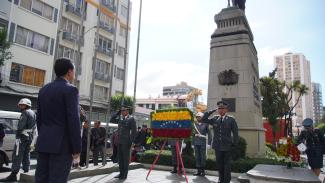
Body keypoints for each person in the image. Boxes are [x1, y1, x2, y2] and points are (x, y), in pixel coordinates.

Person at [35, 58, 81, 183]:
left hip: (44, 142)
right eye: (74, 71)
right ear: (69, 71)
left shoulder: (44, 89)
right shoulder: (71, 90)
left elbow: (39, 118)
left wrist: (43, 135)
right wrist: (76, 148)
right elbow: (74, 120)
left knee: (41, 179)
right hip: (62, 146)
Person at [0, 98, 36, 182]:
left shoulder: (25, 112)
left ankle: (13, 175)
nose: (20, 106)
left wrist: (18, 134)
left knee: (17, 155)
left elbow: (21, 126)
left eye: (22, 105)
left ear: (26, 105)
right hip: (29, 136)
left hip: (22, 137)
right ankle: (26, 171)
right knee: (26, 154)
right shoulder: (33, 113)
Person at [202, 100, 238, 183]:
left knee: (227, 165)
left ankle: (226, 181)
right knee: (219, 164)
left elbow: (235, 133)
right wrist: (211, 111)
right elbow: (203, 119)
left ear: (226, 110)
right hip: (217, 146)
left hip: (227, 146)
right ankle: (221, 179)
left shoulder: (231, 120)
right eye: (219, 108)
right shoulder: (215, 119)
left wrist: (234, 144)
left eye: (223, 108)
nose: (221, 110)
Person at [110, 106, 137, 180]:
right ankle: (121, 173)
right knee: (120, 159)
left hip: (126, 142)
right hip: (119, 142)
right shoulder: (120, 118)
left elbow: (134, 132)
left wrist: (130, 141)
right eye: (121, 111)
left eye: (123, 110)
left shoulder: (131, 119)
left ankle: (125, 174)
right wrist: (117, 113)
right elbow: (111, 120)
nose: (122, 112)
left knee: (125, 159)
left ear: (127, 111)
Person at [193, 112, 209, 176]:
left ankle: (203, 171)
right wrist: (192, 143)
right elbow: (193, 135)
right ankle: (198, 171)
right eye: (197, 117)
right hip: (196, 143)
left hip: (203, 143)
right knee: (197, 157)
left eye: (199, 117)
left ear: (202, 117)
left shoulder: (205, 124)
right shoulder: (194, 125)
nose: (198, 118)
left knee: (203, 157)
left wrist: (209, 143)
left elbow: (209, 134)